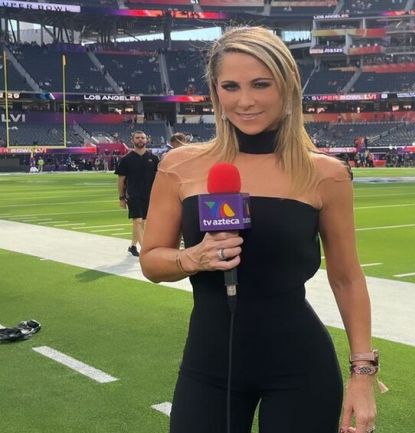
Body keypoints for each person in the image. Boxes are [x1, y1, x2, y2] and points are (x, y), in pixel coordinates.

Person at [138, 27, 378, 433]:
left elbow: (347, 278)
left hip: (301, 371)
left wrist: (363, 375)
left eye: (260, 84)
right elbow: (151, 261)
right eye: (230, 86)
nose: (244, 100)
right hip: (208, 366)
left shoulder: (325, 174)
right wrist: (192, 257)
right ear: (216, 92)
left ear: (287, 87)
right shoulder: (179, 165)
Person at [115, 130, 159, 257]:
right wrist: (121, 198)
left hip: (150, 195)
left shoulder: (154, 158)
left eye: (143, 138)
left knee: (142, 222)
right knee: (138, 221)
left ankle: (133, 246)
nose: (140, 140)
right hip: (133, 195)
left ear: (147, 140)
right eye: (138, 138)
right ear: (132, 140)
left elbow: (158, 178)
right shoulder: (126, 159)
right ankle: (146, 251)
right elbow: (121, 180)